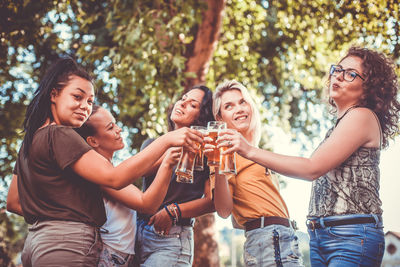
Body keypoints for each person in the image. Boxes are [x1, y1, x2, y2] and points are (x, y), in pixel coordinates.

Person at [6, 56, 203, 267]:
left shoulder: (31, 140)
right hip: (66, 243)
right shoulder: (60, 134)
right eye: (77, 97)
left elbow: (14, 201)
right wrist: (166, 140)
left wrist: (51, 214)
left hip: (38, 241)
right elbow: (114, 178)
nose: (84, 106)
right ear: (54, 94)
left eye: (89, 101)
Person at [216, 47, 400, 266]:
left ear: (368, 87)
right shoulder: (340, 126)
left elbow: (311, 168)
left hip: (352, 236)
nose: (338, 76)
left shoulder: (362, 116)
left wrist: (249, 150)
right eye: (337, 70)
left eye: (350, 74)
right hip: (321, 236)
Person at [208, 80, 303, 267]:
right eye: (229, 106)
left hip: (280, 237)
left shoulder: (254, 152)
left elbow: (237, 220)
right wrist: (218, 166)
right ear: (220, 119)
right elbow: (224, 210)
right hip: (269, 239)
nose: (239, 109)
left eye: (242, 101)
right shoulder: (227, 154)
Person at [75, 105, 181, 267]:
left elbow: (145, 166)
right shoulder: (102, 176)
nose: (119, 130)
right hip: (110, 257)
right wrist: (167, 163)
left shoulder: (112, 170)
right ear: (93, 141)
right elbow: (147, 204)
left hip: (122, 256)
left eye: (115, 123)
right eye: (110, 127)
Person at [135, 85, 215, 267]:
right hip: (136, 231)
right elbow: (140, 170)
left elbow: (213, 201)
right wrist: (174, 143)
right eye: (183, 98)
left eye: (192, 104)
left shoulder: (206, 154)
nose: (183, 103)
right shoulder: (152, 144)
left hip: (171, 236)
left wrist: (175, 211)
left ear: (201, 116)